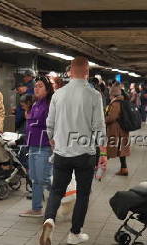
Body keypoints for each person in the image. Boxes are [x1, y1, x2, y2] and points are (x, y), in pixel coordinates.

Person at [40, 57, 107, 245]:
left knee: (56, 191)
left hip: (62, 153)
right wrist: (103, 153)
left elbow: (50, 124)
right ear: (87, 73)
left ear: (70, 72)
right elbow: (99, 126)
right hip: (85, 154)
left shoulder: (58, 94)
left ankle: (49, 219)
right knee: (83, 195)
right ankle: (74, 234)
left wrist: (54, 142)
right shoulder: (94, 95)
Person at [19, 76, 54, 217]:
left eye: (40, 86)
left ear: (47, 89)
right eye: (36, 86)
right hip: (33, 146)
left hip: (44, 146)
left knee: (43, 178)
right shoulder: (36, 104)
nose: (36, 88)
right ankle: (36, 209)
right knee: (35, 178)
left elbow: (53, 125)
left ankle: (65, 195)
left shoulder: (49, 105)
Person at [105, 83, 131, 176]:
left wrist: (104, 120)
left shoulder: (116, 103)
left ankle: (101, 165)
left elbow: (112, 117)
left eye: (110, 94)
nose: (109, 96)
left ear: (113, 94)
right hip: (122, 128)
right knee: (121, 149)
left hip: (116, 129)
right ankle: (124, 168)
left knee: (113, 147)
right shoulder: (122, 101)